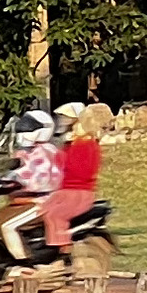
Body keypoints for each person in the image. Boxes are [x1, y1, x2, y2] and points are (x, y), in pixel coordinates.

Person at [0, 108, 59, 264]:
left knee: (7, 226)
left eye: (29, 128)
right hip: (22, 202)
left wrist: (20, 182)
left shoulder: (47, 152)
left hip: (42, 203)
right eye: (22, 128)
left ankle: (24, 264)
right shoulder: (23, 152)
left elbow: (45, 179)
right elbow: (13, 170)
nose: (23, 132)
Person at [40, 103, 103, 256]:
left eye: (74, 124)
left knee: (54, 214)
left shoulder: (88, 146)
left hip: (78, 192)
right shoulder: (71, 145)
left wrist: (61, 163)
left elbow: (80, 170)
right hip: (63, 191)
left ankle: (62, 250)